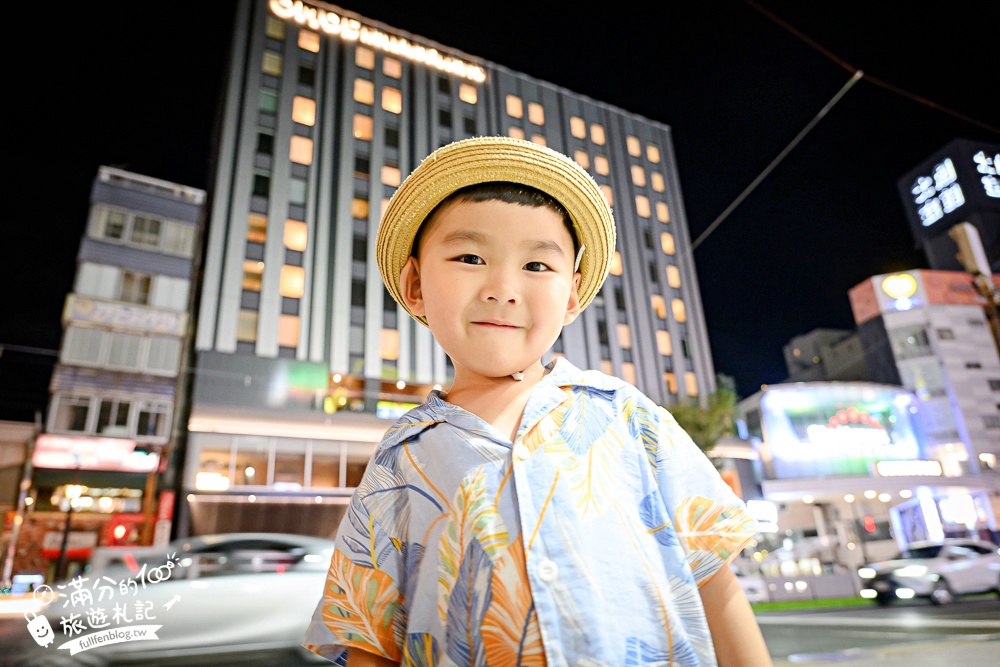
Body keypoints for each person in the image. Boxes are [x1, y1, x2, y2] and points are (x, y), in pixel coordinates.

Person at [303, 136, 773, 667]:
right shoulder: (400, 456)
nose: (503, 288)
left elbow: (713, 581)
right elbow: (371, 636)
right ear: (415, 284)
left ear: (571, 295)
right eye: (470, 256)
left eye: (536, 266)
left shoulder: (627, 413)